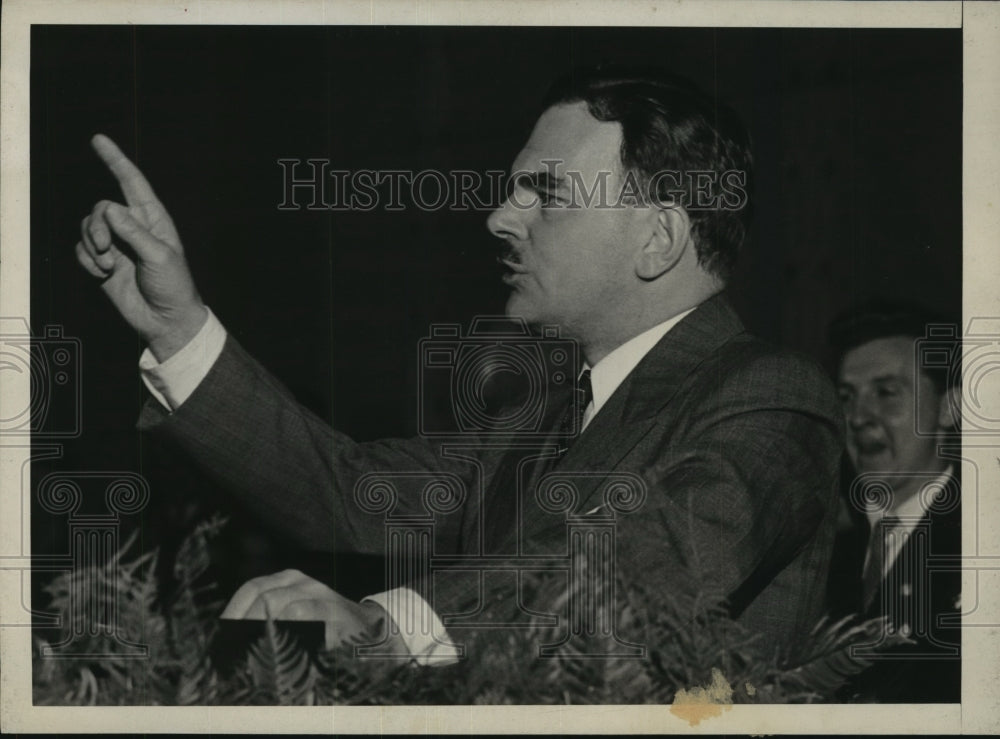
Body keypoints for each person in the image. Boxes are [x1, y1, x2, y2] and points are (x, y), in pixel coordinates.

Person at [76, 67, 843, 665]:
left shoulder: (773, 398)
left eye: (544, 192)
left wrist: (390, 623)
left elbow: (646, 568)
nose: (499, 217)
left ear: (659, 237)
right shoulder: (539, 419)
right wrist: (179, 327)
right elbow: (345, 488)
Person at [826, 300, 962, 702]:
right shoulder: (819, 545)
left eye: (886, 393)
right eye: (847, 397)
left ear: (948, 408)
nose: (858, 417)